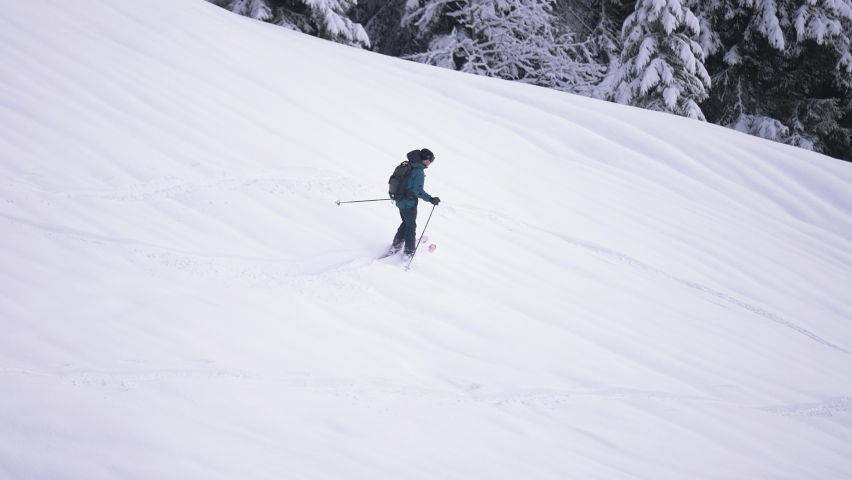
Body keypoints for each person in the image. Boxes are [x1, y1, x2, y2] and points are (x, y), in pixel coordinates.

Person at [390, 148, 440, 258]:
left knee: (406, 223)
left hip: (400, 200)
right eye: (431, 160)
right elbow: (418, 191)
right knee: (411, 226)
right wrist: (431, 199)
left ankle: (397, 245)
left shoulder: (409, 165)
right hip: (408, 203)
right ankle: (409, 252)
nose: (430, 162)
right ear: (426, 159)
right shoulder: (418, 171)